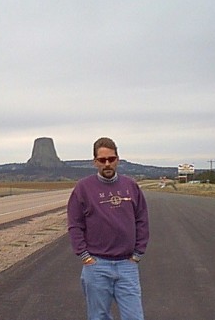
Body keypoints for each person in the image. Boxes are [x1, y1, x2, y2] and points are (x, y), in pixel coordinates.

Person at [67, 137, 150, 320]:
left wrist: (137, 253)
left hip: (127, 265)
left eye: (111, 159)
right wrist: (85, 256)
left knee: (134, 316)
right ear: (95, 161)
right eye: (102, 160)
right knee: (99, 316)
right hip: (97, 266)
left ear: (117, 159)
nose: (107, 164)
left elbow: (142, 220)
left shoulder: (131, 186)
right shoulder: (83, 188)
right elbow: (75, 224)